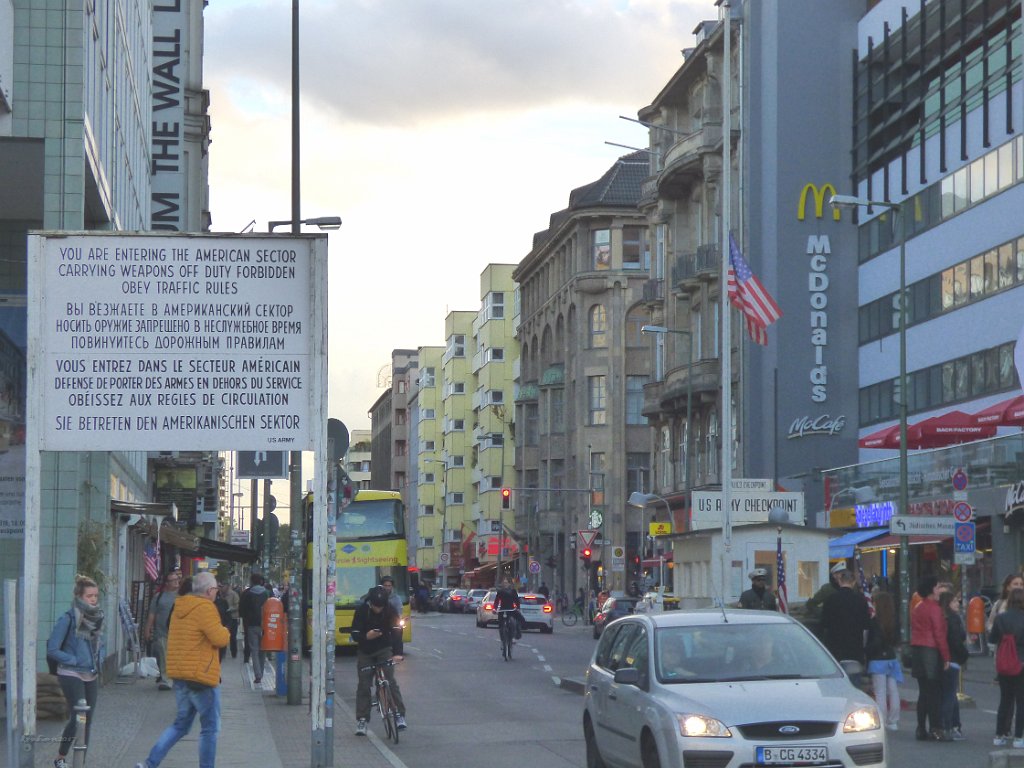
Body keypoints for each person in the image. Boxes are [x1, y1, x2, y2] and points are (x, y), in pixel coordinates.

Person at [135, 571, 230, 768]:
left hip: (180, 675)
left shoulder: (180, 606)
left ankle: (149, 764)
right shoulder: (205, 607)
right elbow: (220, 639)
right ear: (209, 590)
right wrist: (226, 631)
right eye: (215, 589)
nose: (216, 593)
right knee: (210, 729)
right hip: (201, 676)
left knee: (180, 725)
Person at [47, 575, 104, 768]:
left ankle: (80, 762)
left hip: (91, 673)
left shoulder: (96, 618)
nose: (94, 599)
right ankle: (60, 757)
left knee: (87, 720)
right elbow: (52, 649)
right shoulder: (69, 618)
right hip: (71, 673)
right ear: (79, 597)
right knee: (78, 717)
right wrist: (73, 660)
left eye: (96, 595)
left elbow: (95, 645)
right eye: (89, 596)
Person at [351, 585, 406, 735]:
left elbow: (396, 632)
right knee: (364, 685)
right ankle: (362, 720)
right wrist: (365, 636)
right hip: (366, 651)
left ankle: (399, 715)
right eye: (375, 606)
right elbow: (355, 632)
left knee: (390, 680)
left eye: (381, 607)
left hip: (384, 649)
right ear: (370, 602)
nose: (378, 609)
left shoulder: (390, 610)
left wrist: (398, 653)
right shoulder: (362, 611)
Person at [910, 575, 951, 741]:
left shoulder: (918, 607)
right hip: (931, 651)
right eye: (938, 586)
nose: (939, 590)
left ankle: (921, 727)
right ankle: (936, 728)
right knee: (934, 692)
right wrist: (946, 656)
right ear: (931, 589)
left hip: (917, 649)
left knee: (924, 692)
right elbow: (939, 634)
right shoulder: (935, 608)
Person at [990, 586, 1024, 747]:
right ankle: (1019, 736)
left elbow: (992, 639)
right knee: (1021, 701)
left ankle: (999, 734)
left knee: (1005, 699)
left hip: (1004, 662)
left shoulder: (1001, 618)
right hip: (1021, 662)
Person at [865, 589, 903, 732]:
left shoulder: (875, 621)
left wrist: (867, 653)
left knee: (880, 692)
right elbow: (897, 640)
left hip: (877, 660)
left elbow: (872, 642)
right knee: (893, 691)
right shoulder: (894, 620)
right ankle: (893, 721)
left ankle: (882, 719)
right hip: (891, 658)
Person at [820, 569, 871, 669]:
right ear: (853, 582)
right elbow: (866, 626)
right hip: (854, 649)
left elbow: (824, 624)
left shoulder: (831, 599)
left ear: (839, 581)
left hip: (834, 649)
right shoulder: (861, 600)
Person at [144, 570, 181, 691]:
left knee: (176, 657)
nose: (176, 582)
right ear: (166, 583)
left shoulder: (182, 596)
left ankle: (176, 678)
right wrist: (148, 629)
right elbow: (152, 614)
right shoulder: (158, 597)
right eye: (173, 580)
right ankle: (166, 680)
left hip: (178, 633)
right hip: (161, 632)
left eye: (177, 579)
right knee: (163, 656)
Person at [939, 590, 968, 740]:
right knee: (950, 695)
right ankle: (948, 726)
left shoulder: (942, 618)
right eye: (955, 601)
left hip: (943, 659)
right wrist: (964, 655)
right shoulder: (953, 619)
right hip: (953, 659)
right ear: (948, 603)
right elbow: (957, 640)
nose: (958, 603)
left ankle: (953, 725)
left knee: (949, 694)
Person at [239, 573, 269, 683]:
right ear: (261, 581)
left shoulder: (247, 594)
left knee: (254, 650)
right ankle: (261, 671)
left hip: (251, 625)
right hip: (265, 625)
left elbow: (242, 610)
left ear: (251, 581)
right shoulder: (267, 593)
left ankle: (258, 675)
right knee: (263, 650)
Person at [219, 582, 239, 659]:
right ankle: (222, 653)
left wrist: (231, 609)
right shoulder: (220, 594)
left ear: (227, 586)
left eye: (222, 586)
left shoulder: (234, 594)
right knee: (223, 636)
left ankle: (234, 652)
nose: (221, 588)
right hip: (224, 619)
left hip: (233, 618)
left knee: (233, 637)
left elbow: (237, 605)